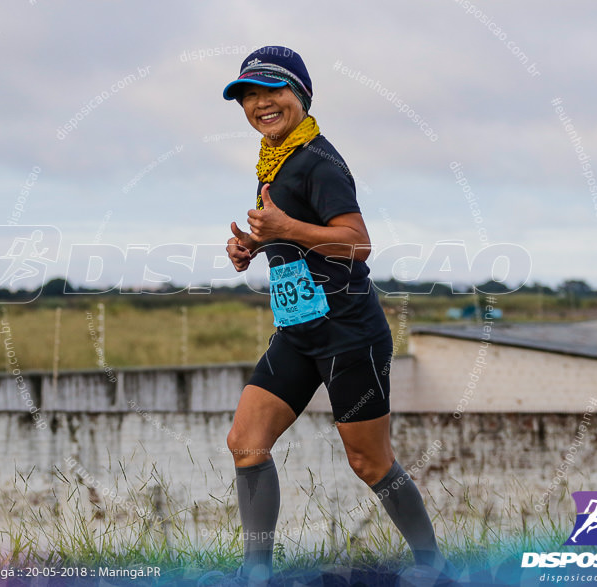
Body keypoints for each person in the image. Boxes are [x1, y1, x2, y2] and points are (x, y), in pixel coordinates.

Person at [219, 46, 448, 583]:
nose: (259, 103)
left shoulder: (319, 160)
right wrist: (253, 246)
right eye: (247, 95)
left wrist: (282, 231)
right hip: (298, 331)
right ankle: (257, 575)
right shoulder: (275, 159)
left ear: (300, 94)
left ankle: (432, 565)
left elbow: (357, 243)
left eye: (271, 90)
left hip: (349, 333)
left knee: (370, 462)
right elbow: (291, 229)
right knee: (246, 442)